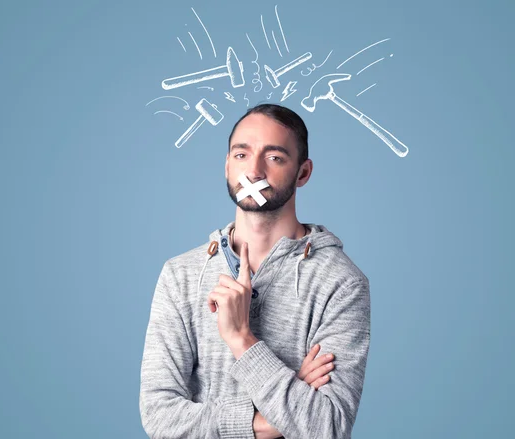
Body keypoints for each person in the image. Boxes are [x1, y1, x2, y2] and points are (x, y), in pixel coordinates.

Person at [139, 103, 371, 439]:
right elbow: (160, 417)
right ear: (227, 166)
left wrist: (242, 340)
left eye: (274, 157)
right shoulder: (181, 275)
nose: (254, 171)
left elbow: (327, 427)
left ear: (303, 173)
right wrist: (272, 421)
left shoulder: (342, 283)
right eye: (242, 155)